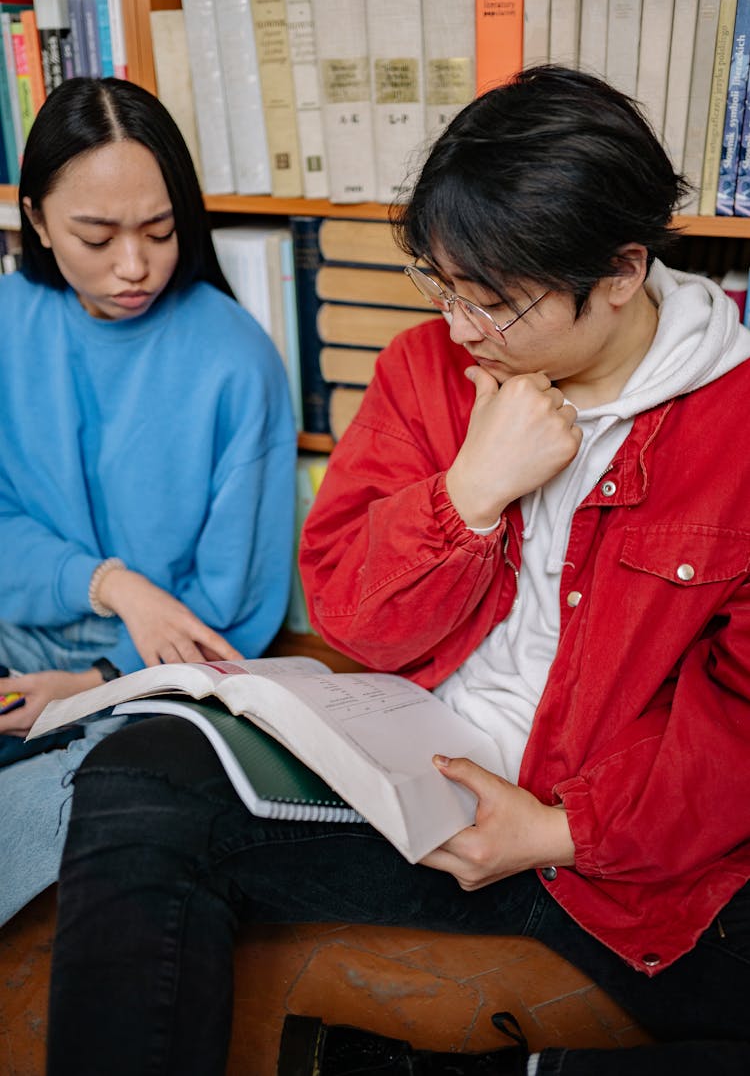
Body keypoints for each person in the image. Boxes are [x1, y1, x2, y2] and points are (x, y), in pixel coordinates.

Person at [46, 66, 750, 1075]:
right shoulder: (427, 369)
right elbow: (349, 613)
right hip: (414, 787)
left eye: (495, 303)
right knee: (138, 782)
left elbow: (738, 726)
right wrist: (470, 493)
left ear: (623, 273)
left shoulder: (736, 428)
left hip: (611, 854)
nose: (459, 329)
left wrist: (560, 830)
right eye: (441, 284)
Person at [0, 76, 296, 926]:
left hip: (151, 683)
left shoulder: (236, 360)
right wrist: (113, 583)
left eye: (161, 232)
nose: (135, 266)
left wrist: (94, 681)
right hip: (22, 636)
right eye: (97, 235)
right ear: (39, 218)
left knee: (124, 818)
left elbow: (233, 605)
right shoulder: (10, 322)